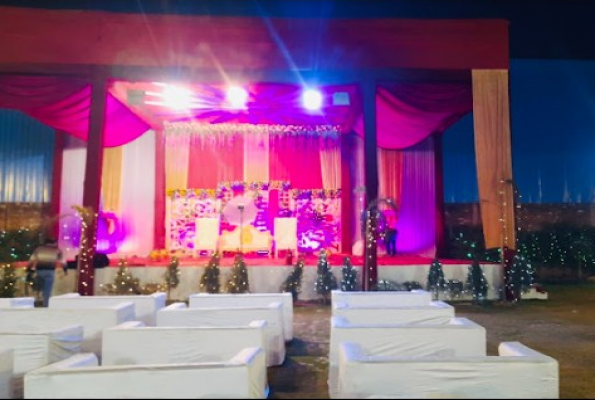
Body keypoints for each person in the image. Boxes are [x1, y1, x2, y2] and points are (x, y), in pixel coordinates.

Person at [30, 238, 65, 307]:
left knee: (38, 287)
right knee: (47, 289)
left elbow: (32, 260)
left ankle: (37, 301)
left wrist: (30, 269)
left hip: (39, 271)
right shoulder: (57, 250)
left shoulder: (38, 249)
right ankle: (46, 304)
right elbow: (63, 261)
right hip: (50, 271)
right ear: (54, 243)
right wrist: (65, 269)